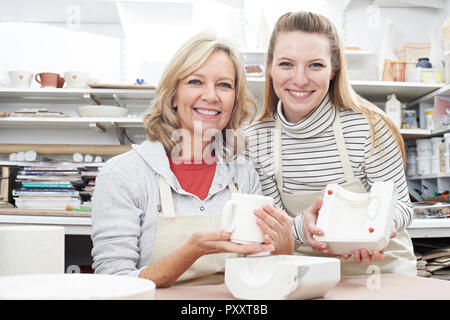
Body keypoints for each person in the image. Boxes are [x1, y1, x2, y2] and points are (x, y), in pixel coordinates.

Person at [91, 32, 291, 287]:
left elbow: (259, 270)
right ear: (173, 95)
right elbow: (112, 282)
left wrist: (283, 248)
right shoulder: (124, 174)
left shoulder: (243, 174)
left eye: (224, 85)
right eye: (196, 82)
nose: (211, 96)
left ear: (234, 100)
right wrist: (190, 252)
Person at [245, 11, 417, 276]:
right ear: (269, 66)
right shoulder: (257, 138)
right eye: (286, 64)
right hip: (306, 271)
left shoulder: (368, 127)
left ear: (334, 69)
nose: (300, 79)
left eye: (315, 65)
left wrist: (368, 231)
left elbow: (402, 206)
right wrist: (303, 227)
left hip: (380, 268)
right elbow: (274, 227)